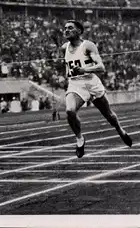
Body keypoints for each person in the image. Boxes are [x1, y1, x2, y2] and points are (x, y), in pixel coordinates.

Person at [57, 20, 133, 158]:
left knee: (108, 115)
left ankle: (120, 130)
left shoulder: (88, 46)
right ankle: (80, 139)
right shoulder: (64, 47)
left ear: (79, 31)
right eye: (65, 28)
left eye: (70, 28)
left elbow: (101, 67)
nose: (66, 30)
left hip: (91, 82)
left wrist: (83, 69)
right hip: (75, 84)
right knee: (69, 110)